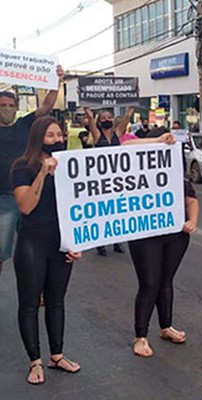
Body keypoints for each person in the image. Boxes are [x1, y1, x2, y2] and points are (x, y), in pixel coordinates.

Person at [11, 116, 82, 384]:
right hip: (32, 244)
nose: (57, 140)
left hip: (61, 244)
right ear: (38, 137)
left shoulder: (69, 166)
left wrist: (78, 242)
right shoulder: (21, 167)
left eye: (59, 135)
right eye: (50, 136)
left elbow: (80, 207)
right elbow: (26, 206)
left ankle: (57, 355)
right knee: (29, 304)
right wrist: (42, 172)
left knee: (56, 301)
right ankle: (35, 361)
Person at [122, 128, 199, 356]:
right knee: (149, 283)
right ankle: (140, 336)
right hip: (144, 235)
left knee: (166, 281)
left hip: (176, 235)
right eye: (166, 140)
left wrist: (192, 222)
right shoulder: (133, 170)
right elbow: (124, 148)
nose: (169, 144)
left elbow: (191, 201)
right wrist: (156, 140)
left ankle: (166, 326)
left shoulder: (176, 172)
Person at [0, 65, 64, 278]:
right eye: (3, 105)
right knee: (1, 252)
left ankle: (37, 289)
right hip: (4, 199)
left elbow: (45, 107)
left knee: (37, 242)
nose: (7, 108)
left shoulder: (23, 125)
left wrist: (56, 81)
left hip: (31, 191)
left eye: (11, 105)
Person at [84, 106, 133, 256]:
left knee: (117, 212)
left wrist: (129, 112)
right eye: (103, 118)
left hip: (116, 180)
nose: (107, 120)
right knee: (102, 213)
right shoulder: (98, 136)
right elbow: (92, 124)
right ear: (99, 122)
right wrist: (89, 115)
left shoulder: (117, 134)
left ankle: (117, 241)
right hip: (101, 180)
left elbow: (124, 123)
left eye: (109, 117)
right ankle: (100, 244)